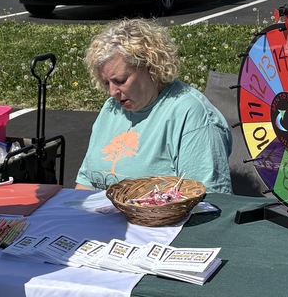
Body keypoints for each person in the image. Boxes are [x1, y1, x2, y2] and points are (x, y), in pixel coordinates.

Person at [75, 18, 233, 193]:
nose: (112, 92)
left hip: (158, 219)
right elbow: (85, 183)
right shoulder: (112, 108)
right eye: (106, 83)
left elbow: (208, 198)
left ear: (150, 67)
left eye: (120, 81)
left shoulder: (190, 114)